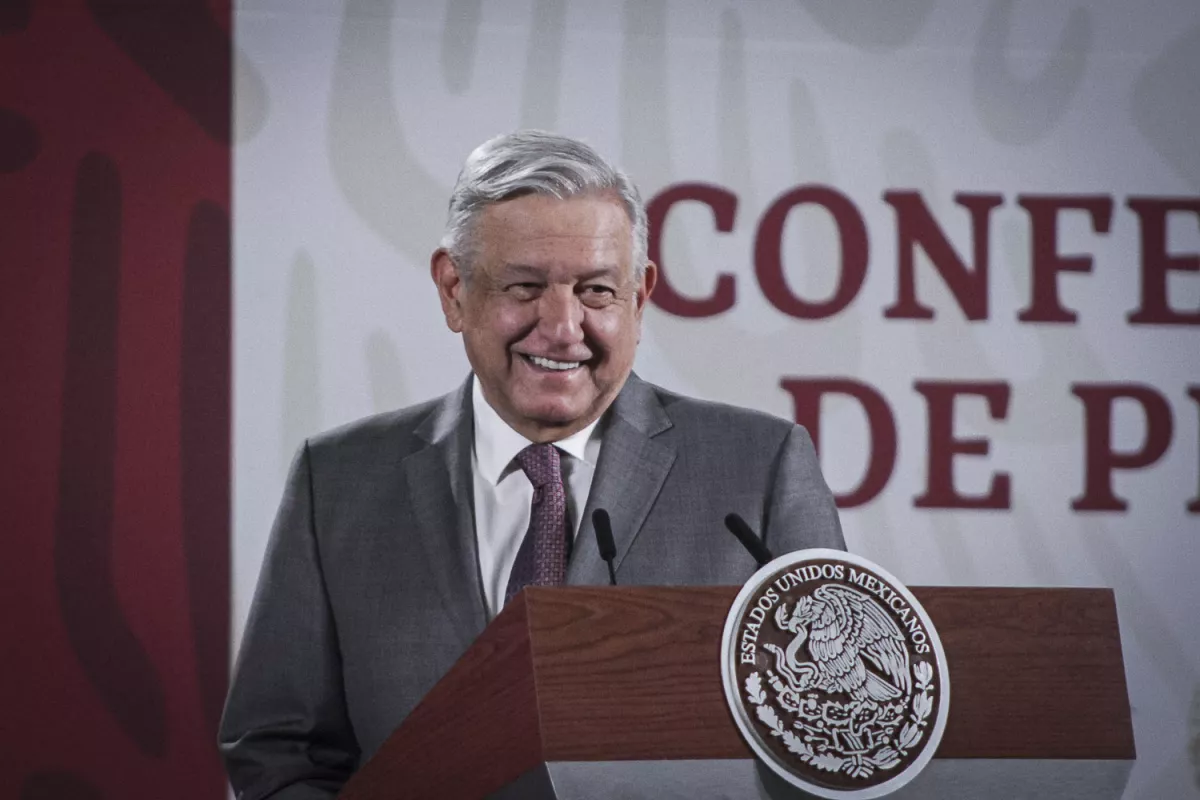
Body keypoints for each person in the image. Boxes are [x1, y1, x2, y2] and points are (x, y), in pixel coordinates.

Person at [219, 130, 844, 798]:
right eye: (523, 286)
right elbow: (279, 751)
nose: (562, 327)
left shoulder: (760, 468)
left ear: (639, 297)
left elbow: (840, 735)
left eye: (596, 291)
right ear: (454, 290)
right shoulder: (338, 481)